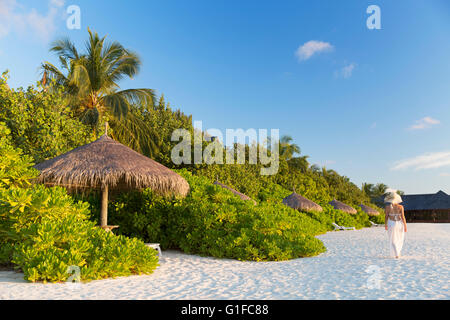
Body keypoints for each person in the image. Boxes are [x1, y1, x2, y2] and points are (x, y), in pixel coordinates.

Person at [384, 189, 407, 258]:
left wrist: (385, 225)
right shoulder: (401, 207)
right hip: (399, 224)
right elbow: (403, 217)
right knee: (399, 238)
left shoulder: (387, 207)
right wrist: (405, 225)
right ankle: (397, 253)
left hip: (391, 223)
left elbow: (386, 217)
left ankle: (396, 253)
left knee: (392, 239)